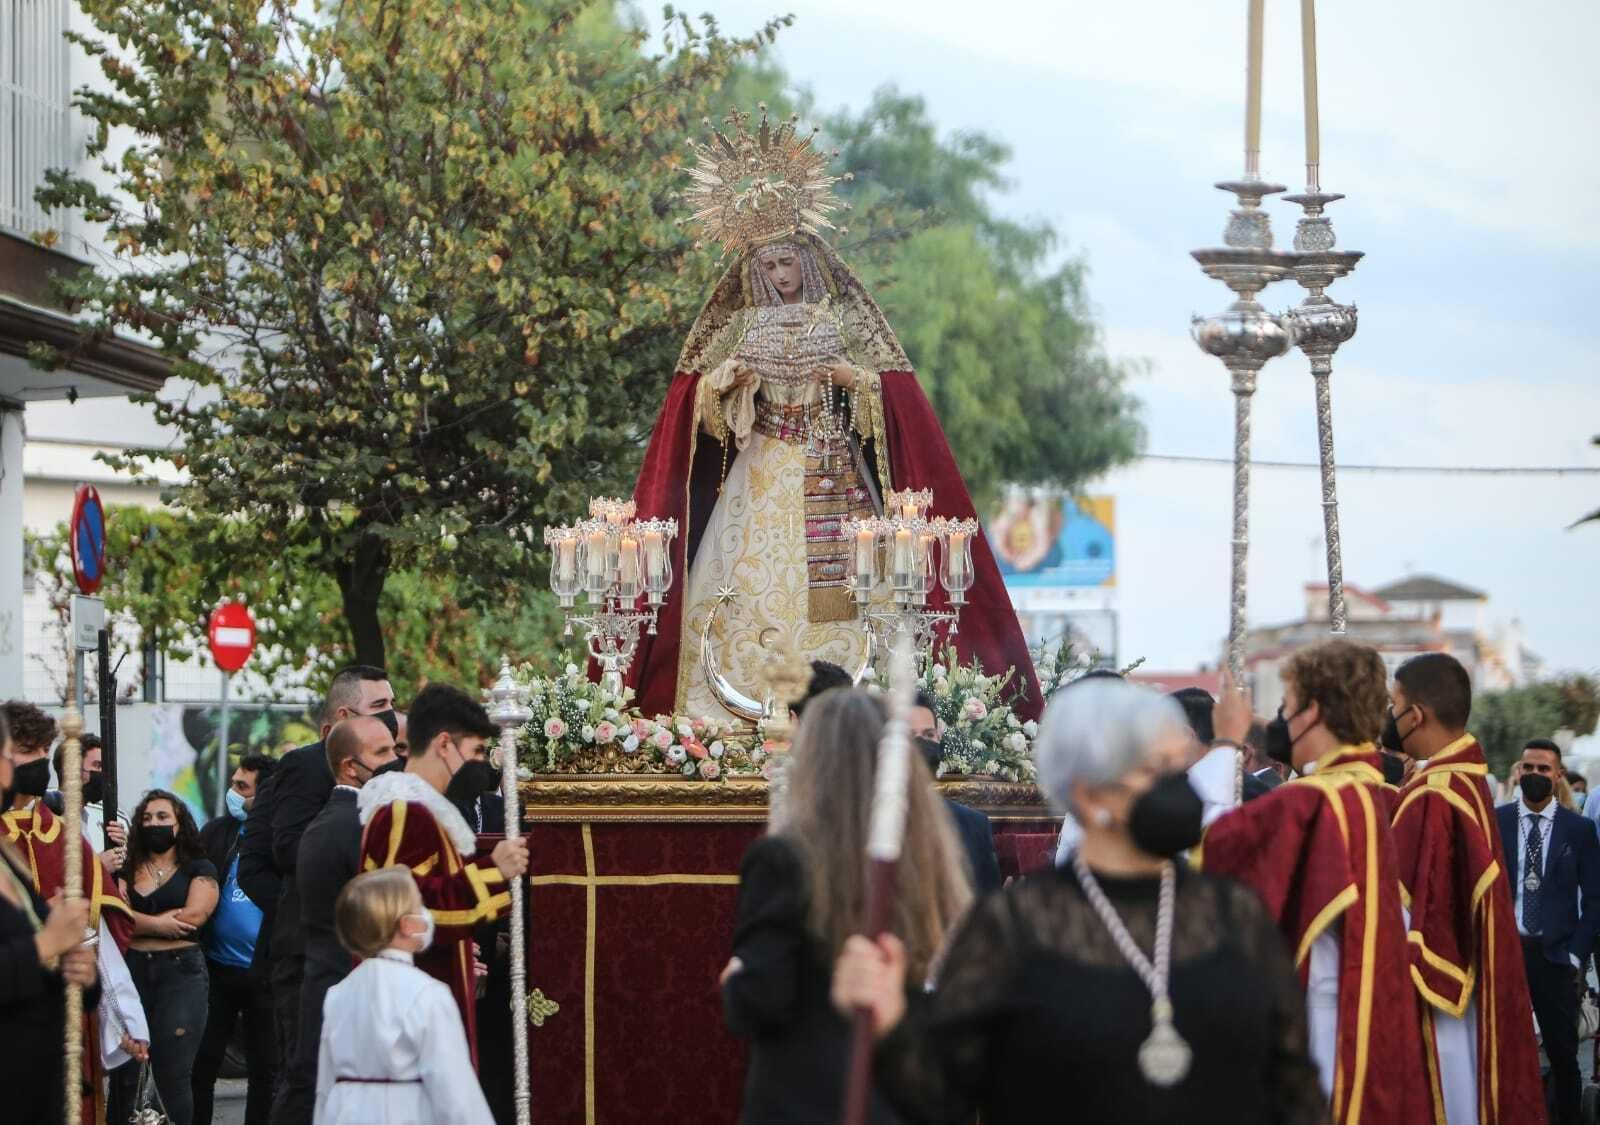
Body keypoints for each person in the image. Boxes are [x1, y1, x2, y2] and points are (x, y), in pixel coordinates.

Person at [623, 107, 1041, 725]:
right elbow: (699, 407)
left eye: (786, 264)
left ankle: (854, 709)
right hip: (761, 469)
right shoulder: (741, 325)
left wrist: (853, 380)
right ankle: (730, 719)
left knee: (852, 597)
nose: (777, 276)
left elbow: (890, 396)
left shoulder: (843, 319)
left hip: (831, 470)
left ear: (808, 261)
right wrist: (728, 382)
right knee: (740, 594)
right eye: (765, 267)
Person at [833, 677, 1325, 1124]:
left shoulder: (1233, 914)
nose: (1179, 787)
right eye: (1154, 771)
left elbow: (1292, 1089)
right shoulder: (1012, 929)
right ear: (1088, 795)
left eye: (1178, 767)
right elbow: (942, 1097)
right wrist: (892, 1021)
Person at [1198, 639, 1432, 1122]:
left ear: (1313, 711)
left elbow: (1210, 850)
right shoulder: (1369, 789)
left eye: (1286, 703)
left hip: (1322, 1022)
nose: (1280, 716)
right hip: (1364, 1013)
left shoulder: (1312, 802)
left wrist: (1223, 744)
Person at [723, 687, 971, 1124]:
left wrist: (737, 980)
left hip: (804, 1100)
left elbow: (763, 1000)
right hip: (900, 1095)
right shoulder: (928, 854)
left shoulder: (785, 858)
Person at [1385, 652, 1543, 1123]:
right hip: (1473, 990)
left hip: (1439, 1002)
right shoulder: (1467, 780)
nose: (1390, 718)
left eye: (1394, 706)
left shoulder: (1433, 795)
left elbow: (1407, 915)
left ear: (1415, 715)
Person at [236, 663, 393, 1111]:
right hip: (308, 951)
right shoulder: (306, 767)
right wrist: (303, 912)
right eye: (378, 706)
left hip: (356, 949)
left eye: (392, 706)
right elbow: (279, 854)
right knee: (305, 1075)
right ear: (344, 718)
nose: (389, 716)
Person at [356, 683, 527, 1065]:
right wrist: (493, 870)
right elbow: (409, 911)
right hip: (412, 1007)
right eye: (477, 752)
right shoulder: (406, 812)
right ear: (444, 744)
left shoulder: (424, 812)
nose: (482, 764)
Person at [3, 700, 139, 1125]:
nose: (38, 763)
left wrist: (92, 984)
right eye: (26, 751)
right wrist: (48, 943)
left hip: (49, 1042)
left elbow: (100, 937)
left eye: (45, 751)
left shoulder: (63, 838)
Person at [276, 717, 397, 1125]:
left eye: (395, 749)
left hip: (328, 982)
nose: (394, 761)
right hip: (342, 983)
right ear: (349, 766)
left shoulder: (341, 819)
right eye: (382, 753)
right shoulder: (354, 824)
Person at [313, 866, 494, 1124]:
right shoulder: (429, 994)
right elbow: (457, 1093)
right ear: (407, 925)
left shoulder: (337, 994)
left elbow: (324, 1087)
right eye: (420, 906)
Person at [1498, 738, 1600, 1125]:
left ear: (1558, 775)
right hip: (1508, 954)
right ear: (1518, 771)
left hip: (1557, 958)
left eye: (1544, 769)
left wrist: (1576, 953)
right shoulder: (1498, 821)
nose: (1535, 775)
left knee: (1563, 1056)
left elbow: (1594, 899)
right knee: (1505, 1052)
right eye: (1529, 768)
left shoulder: (1580, 830)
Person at [120, 790, 219, 1125]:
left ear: (180, 824)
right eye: (146, 818)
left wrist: (135, 921)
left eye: (163, 817)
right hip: (131, 972)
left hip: (181, 974)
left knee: (172, 1074)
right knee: (125, 1073)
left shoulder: (198, 868)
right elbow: (113, 920)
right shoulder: (126, 869)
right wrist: (158, 923)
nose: (154, 824)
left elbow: (192, 919)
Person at [192, 754, 279, 1125]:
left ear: (265, 796)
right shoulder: (216, 832)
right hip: (218, 969)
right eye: (233, 783)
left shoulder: (281, 837)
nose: (232, 792)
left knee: (266, 1068)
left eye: (242, 787)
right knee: (203, 1061)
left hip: (265, 972)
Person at [907, 690, 1001, 895]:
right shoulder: (868, 825)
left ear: (939, 738)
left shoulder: (973, 826)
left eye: (928, 735)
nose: (921, 744)